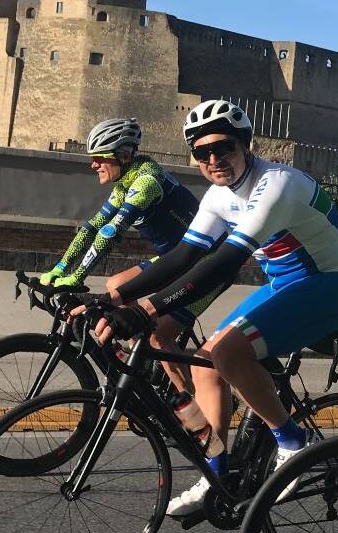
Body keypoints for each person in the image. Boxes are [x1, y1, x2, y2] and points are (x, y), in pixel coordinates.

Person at [91, 100, 338, 517]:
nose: (214, 159)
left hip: (333, 285)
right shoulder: (219, 195)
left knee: (227, 352)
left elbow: (223, 262)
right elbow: (183, 256)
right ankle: (215, 470)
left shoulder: (276, 184)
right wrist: (109, 299)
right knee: (203, 364)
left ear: (245, 144)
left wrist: (145, 310)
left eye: (224, 148)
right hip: (287, 285)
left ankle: (293, 444)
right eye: (202, 153)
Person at [40, 118, 211, 396]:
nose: (93, 164)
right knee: (115, 285)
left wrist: (77, 277)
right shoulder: (126, 183)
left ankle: (188, 409)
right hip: (174, 259)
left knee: (159, 337)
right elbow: (92, 227)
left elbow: (109, 232)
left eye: (99, 158)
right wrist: (59, 269)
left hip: (204, 265)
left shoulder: (146, 183)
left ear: (123, 156)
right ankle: (141, 360)